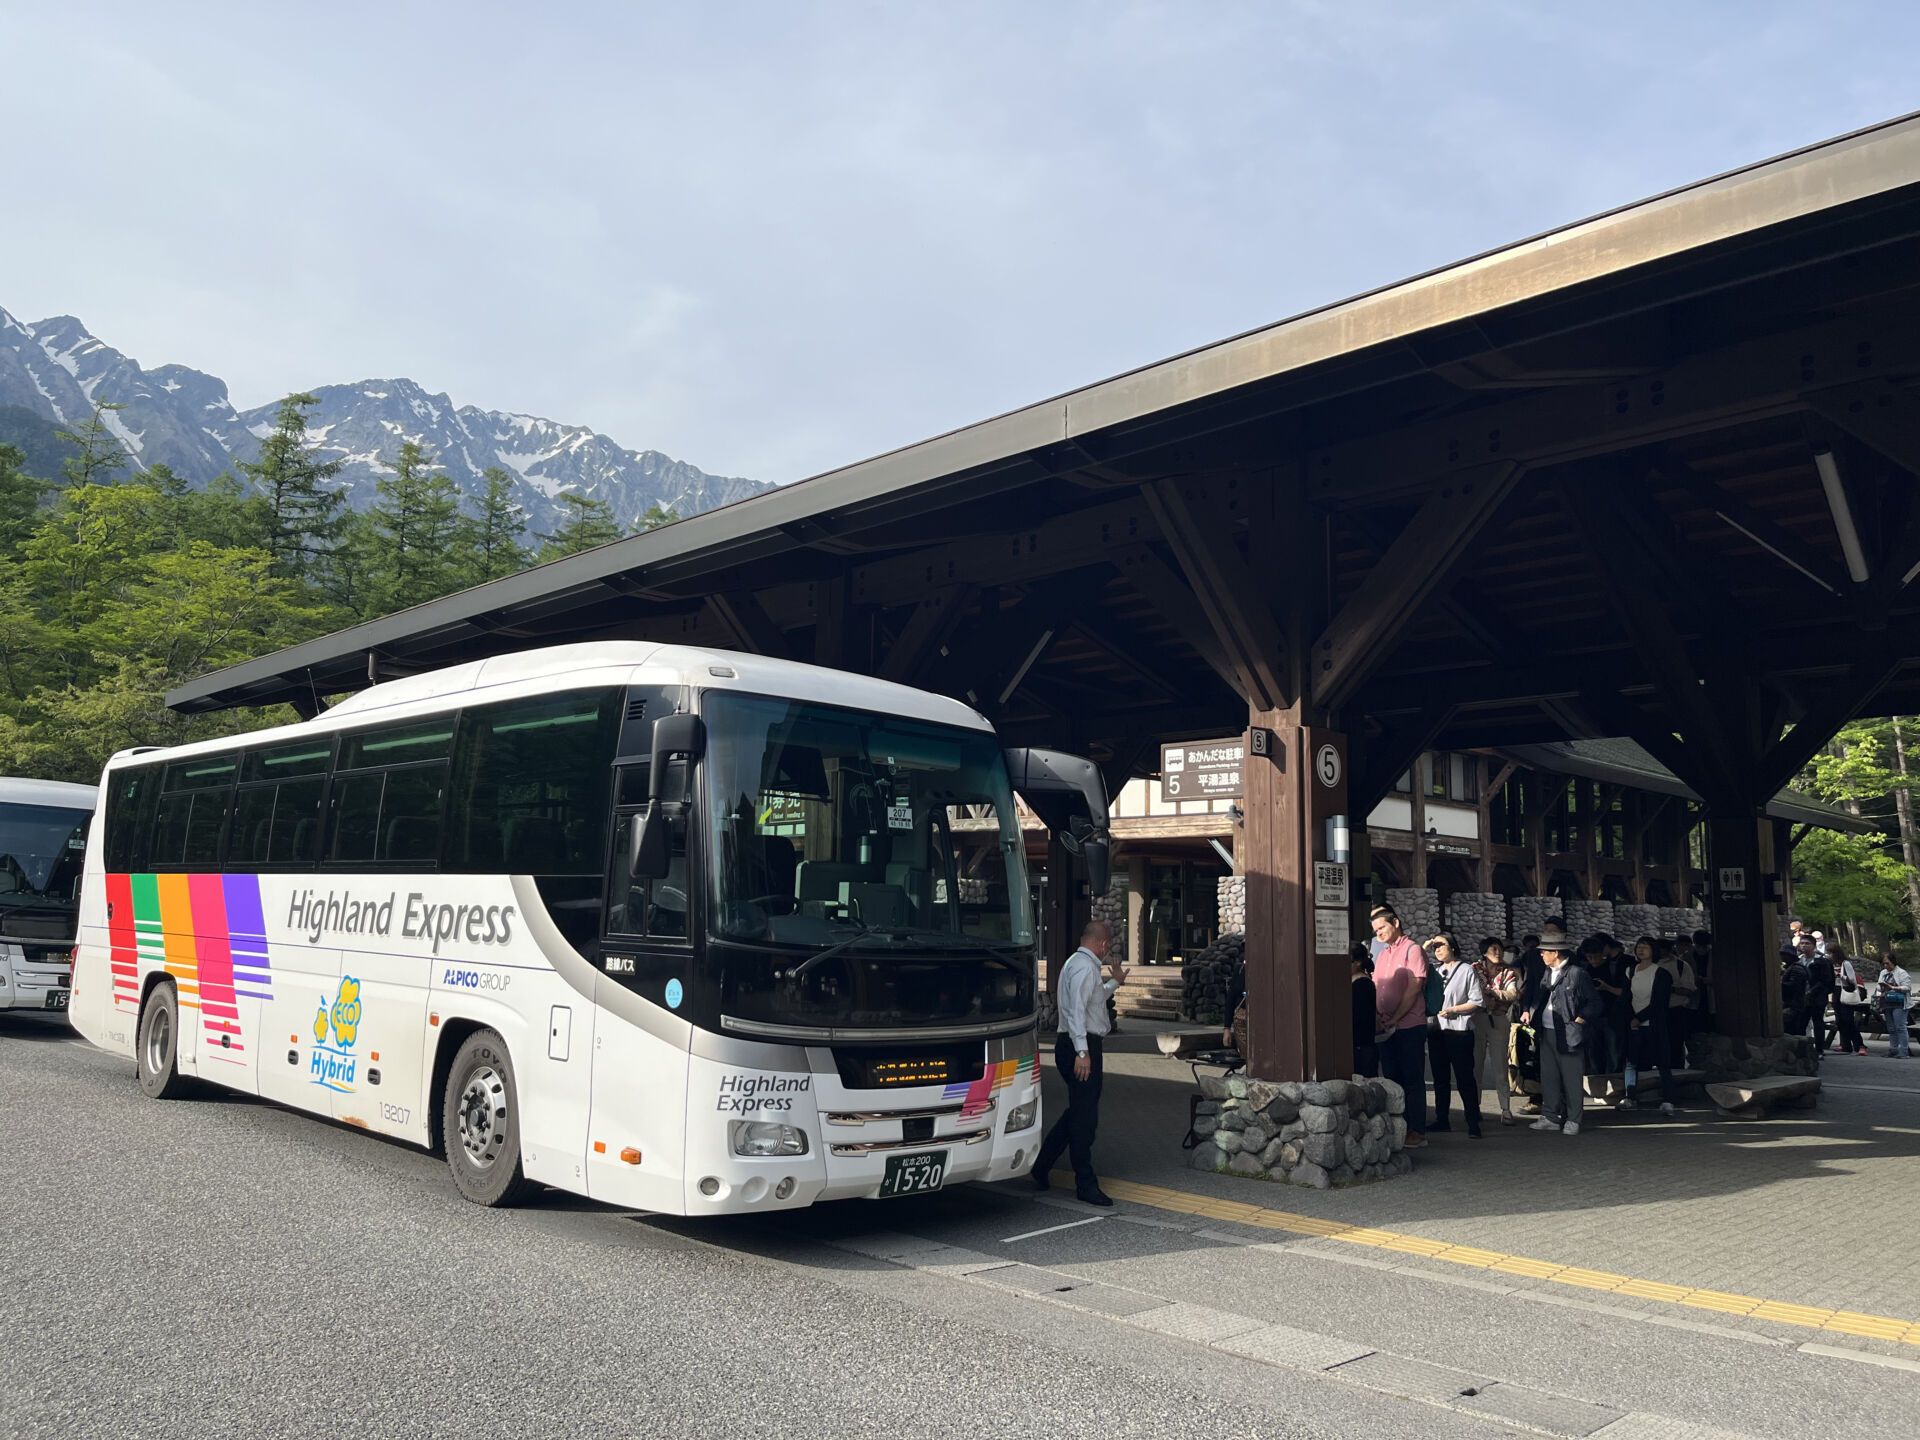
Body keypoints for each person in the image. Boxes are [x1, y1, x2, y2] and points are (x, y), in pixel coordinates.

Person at [1031, 921, 1124, 1205]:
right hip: (1080, 1045)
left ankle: (1042, 1164)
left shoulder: (1077, 963)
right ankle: (1085, 1182)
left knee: (1078, 1113)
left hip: (1072, 1044)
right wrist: (1083, 1053)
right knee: (1085, 1120)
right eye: (1110, 946)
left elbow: (1094, 1000)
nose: (1110, 951)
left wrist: (1116, 982)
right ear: (1104, 944)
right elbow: (1075, 1013)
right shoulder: (1085, 968)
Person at [1520, 931, 1603, 1134]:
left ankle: (1574, 1119)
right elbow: (1540, 998)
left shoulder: (1577, 973)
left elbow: (1595, 1003)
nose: (1541, 955)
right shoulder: (1547, 972)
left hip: (1568, 1032)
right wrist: (1528, 1012)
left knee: (1571, 1078)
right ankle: (1549, 1116)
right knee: (1549, 1076)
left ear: (1555, 952)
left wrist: (1580, 1018)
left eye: (1544, 952)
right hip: (1546, 1030)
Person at [1370, 905, 1430, 1149]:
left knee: (1413, 1079)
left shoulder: (1412, 950)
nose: (1379, 934)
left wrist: (1396, 1017)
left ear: (1395, 922)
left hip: (1409, 1024)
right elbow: (1377, 987)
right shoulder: (1383, 954)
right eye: (1375, 931)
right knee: (1392, 1078)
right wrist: (1379, 1016)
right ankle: (1398, 1126)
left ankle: (1416, 1130)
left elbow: (1415, 987)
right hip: (1386, 1026)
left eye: (1382, 927)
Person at [1429, 933, 1485, 1138]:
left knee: (1464, 1078)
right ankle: (1441, 1118)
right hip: (1437, 1030)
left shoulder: (1467, 970)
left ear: (1452, 946)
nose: (1437, 949)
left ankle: (1472, 1122)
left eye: (1441, 945)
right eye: (1434, 946)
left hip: (1460, 1030)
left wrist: (1453, 1010)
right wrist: (1426, 946)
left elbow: (1477, 1002)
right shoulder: (1434, 970)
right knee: (1440, 1078)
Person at [1622, 937, 1676, 1114]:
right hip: (1633, 1023)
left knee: (1662, 1062)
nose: (1641, 950)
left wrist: (1640, 1017)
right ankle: (1630, 1097)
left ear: (1654, 950)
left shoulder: (1660, 973)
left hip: (1654, 1023)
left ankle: (1668, 1100)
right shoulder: (1631, 971)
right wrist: (1630, 1017)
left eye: (1645, 947)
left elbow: (1660, 1002)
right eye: (1639, 947)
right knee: (1631, 1062)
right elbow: (1626, 997)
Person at [1476, 936, 1521, 1126]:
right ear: (1484, 952)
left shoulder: (1509, 972)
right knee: (1475, 1065)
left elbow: (1513, 994)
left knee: (1500, 1065)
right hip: (1477, 1019)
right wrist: (1488, 997)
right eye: (1493, 949)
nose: (1498, 953)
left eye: (1500, 949)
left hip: (1499, 1019)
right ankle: (1474, 1107)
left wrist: (1492, 993)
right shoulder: (1474, 969)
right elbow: (1475, 992)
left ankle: (1506, 1108)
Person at [1584, 934, 1630, 1079]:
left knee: (1614, 1052)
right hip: (1592, 1017)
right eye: (1589, 957)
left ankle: (1615, 1082)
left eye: (1596, 957)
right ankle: (1598, 1083)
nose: (1593, 961)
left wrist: (1606, 987)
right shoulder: (1585, 970)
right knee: (1594, 1052)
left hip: (1613, 1015)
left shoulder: (1614, 967)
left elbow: (1625, 992)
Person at [1665, 933, 1700, 1068]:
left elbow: (1690, 989)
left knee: (1677, 1041)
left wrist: (1671, 989)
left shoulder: (1683, 963)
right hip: (1661, 1008)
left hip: (1679, 1006)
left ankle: (1677, 1068)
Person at [1830, 940, 1868, 1055]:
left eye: (1831, 953)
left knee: (1848, 1020)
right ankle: (1845, 1045)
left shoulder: (1845, 964)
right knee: (1840, 1021)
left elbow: (1852, 980)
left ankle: (1860, 1045)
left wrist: (1840, 976)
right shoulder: (1829, 964)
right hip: (1836, 992)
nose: (1829, 955)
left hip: (1846, 991)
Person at [1875, 955, 1912, 1059]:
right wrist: (1881, 986)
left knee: (1900, 1027)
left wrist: (1893, 987)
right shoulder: (1883, 973)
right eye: (1884, 963)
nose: (1886, 965)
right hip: (1887, 1002)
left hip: (1899, 1003)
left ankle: (1903, 1051)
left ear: (1893, 962)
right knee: (1891, 1028)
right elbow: (1878, 985)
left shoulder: (1901, 973)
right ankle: (1893, 1049)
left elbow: (1907, 987)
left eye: (1888, 963)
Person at [1351, 945, 1379, 1078]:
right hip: (1358, 1045)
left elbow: (1359, 1016)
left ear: (1357, 962)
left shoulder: (1363, 983)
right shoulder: (1353, 981)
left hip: (1362, 1045)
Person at [1781, 935, 1815, 1038]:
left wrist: (1779, 985)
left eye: (1783, 955)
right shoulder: (1792, 967)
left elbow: (1793, 986)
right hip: (1794, 1004)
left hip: (1794, 1005)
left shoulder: (1797, 969)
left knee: (1795, 1031)